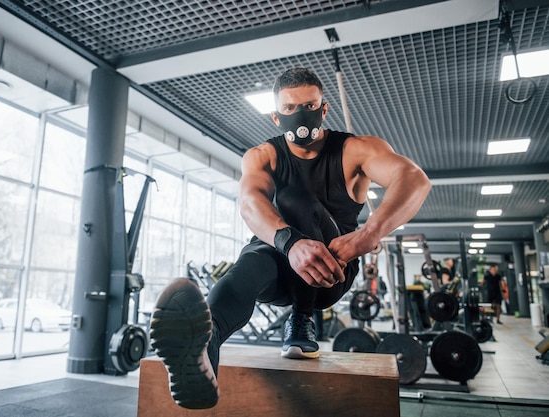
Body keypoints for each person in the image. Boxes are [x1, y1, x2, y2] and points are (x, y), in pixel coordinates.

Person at [149, 67, 431, 409]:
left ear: (324, 109)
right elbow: (251, 204)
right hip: (278, 264)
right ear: (275, 116)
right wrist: (291, 244)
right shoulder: (262, 156)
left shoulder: (356, 150)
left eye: (310, 105)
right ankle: (204, 352)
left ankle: (302, 316)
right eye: (289, 108)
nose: (301, 115)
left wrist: (366, 235)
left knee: (294, 199)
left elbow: (414, 179)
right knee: (251, 260)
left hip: (331, 270)